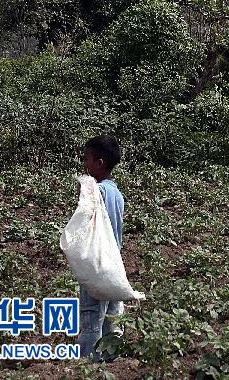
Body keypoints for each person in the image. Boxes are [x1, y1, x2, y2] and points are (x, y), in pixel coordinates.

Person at [77, 134, 125, 360]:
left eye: (87, 159)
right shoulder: (117, 194)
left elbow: (84, 221)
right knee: (113, 319)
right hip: (115, 266)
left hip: (96, 265)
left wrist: (84, 190)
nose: (85, 165)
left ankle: (88, 366)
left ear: (100, 163)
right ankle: (112, 362)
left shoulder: (98, 192)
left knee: (91, 319)